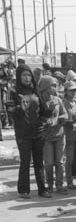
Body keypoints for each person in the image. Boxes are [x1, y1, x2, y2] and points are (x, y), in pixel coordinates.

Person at [6, 63, 49, 198]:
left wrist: (49, 110)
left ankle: (42, 189)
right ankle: (24, 190)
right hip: (23, 133)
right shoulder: (13, 91)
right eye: (24, 75)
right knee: (25, 162)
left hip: (38, 132)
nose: (27, 78)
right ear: (19, 76)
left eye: (29, 75)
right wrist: (20, 108)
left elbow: (42, 111)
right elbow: (9, 110)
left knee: (39, 162)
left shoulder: (35, 90)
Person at [38, 75, 68, 195]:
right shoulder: (39, 101)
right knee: (49, 163)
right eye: (52, 86)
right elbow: (37, 118)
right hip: (46, 137)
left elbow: (65, 115)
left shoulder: (58, 100)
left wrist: (57, 119)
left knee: (60, 163)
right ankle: (49, 184)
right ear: (45, 87)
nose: (55, 88)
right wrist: (45, 121)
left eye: (55, 86)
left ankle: (59, 185)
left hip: (59, 135)